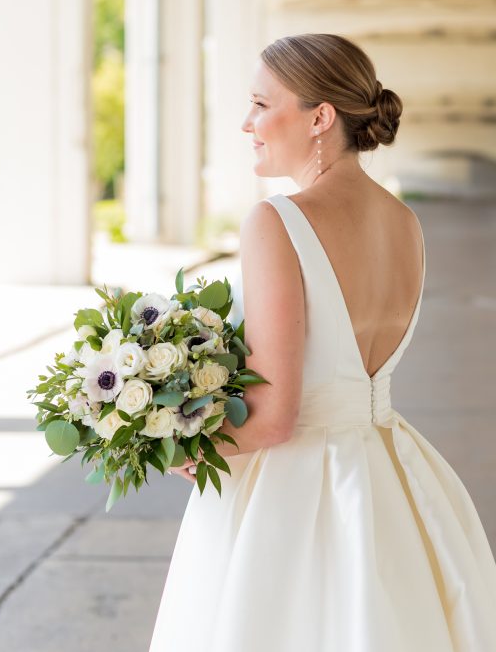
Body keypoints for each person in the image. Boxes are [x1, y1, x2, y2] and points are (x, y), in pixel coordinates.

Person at [150, 34, 496, 650]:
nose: (246, 122)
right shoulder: (405, 222)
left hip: (299, 487)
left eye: (261, 103)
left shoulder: (277, 221)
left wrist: (170, 447)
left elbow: (276, 417)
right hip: (392, 469)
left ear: (320, 118)